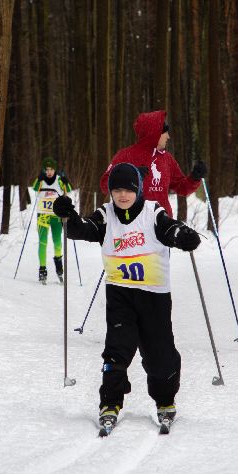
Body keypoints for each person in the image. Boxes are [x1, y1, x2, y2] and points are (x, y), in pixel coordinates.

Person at [52, 162, 202, 434]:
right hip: (120, 295)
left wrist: (182, 235)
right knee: (117, 351)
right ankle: (110, 403)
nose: (122, 196)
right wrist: (68, 217)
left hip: (154, 297)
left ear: (138, 190)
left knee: (160, 356)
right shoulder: (106, 215)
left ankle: (165, 401)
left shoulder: (151, 212)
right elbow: (82, 228)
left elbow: (169, 229)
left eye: (128, 190)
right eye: (117, 190)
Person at [98, 109, 206, 218]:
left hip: (161, 224)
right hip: (132, 225)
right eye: (165, 133)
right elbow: (104, 185)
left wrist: (194, 178)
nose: (168, 137)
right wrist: (130, 176)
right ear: (155, 133)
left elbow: (182, 187)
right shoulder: (125, 156)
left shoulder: (166, 158)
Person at [31, 157, 73, 284]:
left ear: (55, 170)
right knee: (42, 242)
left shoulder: (59, 180)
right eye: (47, 169)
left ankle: (59, 269)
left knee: (57, 242)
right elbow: (34, 188)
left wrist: (66, 182)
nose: (49, 172)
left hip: (56, 215)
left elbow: (69, 190)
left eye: (51, 169)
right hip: (43, 215)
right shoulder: (41, 180)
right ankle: (42, 269)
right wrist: (39, 180)